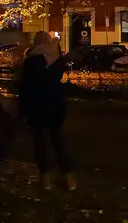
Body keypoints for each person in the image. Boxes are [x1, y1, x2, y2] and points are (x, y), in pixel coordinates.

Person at [19, 31, 76, 191]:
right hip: (55, 106)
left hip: (37, 106)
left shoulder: (30, 61)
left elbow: (25, 87)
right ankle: (69, 178)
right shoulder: (57, 60)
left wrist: (23, 108)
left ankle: (45, 180)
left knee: (40, 144)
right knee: (58, 142)